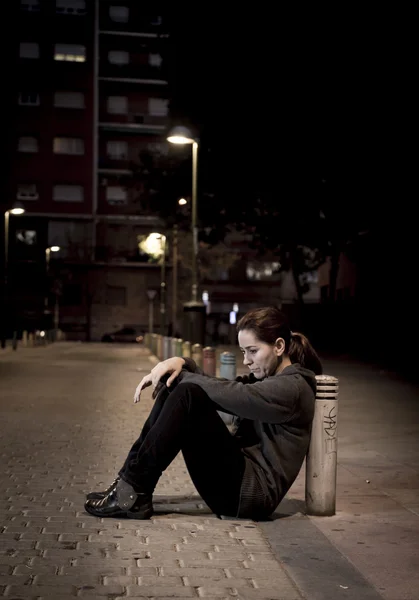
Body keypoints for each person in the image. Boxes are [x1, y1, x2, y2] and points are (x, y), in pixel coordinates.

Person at [84, 306, 322, 521]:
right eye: (243, 352)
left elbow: (234, 394)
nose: (246, 361)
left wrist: (182, 374)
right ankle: (128, 485)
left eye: (252, 351)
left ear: (279, 346)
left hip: (250, 496)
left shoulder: (292, 388)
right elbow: (218, 386)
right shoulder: (273, 380)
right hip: (238, 481)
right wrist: (181, 363)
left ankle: (132, 492)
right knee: (178, 386)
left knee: (187, 392)